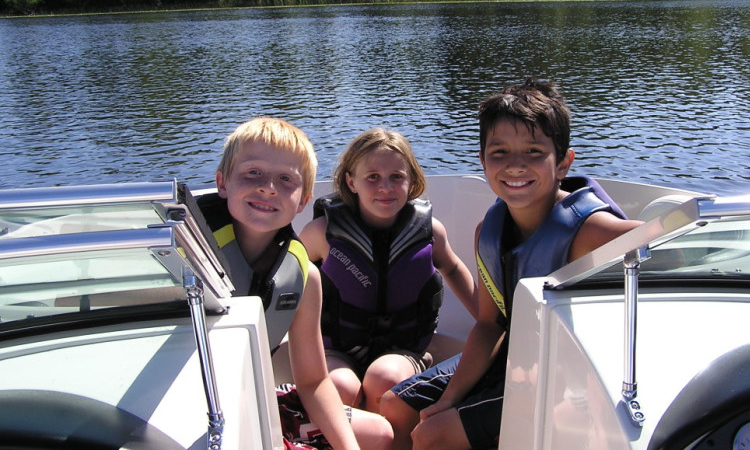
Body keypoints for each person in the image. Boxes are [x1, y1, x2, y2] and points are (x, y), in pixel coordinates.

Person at [379, 78, 642, 450]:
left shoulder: (590, 231)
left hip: (570, 379)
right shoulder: (488, 230)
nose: (515, 166)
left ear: (564, 163)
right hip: (515, 358)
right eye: (499, 152)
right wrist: (450, 399)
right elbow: (490, 325)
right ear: (483, 161)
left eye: (534, 151)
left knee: (434, 436)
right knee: (396, 406)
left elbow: (674, 244)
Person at [196, 117, 393, 450]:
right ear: (223, 183)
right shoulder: (188, 252)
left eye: (286, 179)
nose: (268, 188)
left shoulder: (305, 278)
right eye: (252, 173)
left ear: (303, 201)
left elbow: (314, 381)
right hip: (195, 411)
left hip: (253, 400)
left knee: (380, 435)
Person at [299, 128, 479, 413]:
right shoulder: (321, 233)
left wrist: (488, 321)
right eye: (373, 177)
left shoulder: (430, 232)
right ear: (351, 181)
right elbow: (290, 284)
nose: (385, 187)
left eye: (397, 176)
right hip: (337, 351)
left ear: (412, 181)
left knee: (384, 379)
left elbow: (455, 269)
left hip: (403, 351)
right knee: (339, 388)